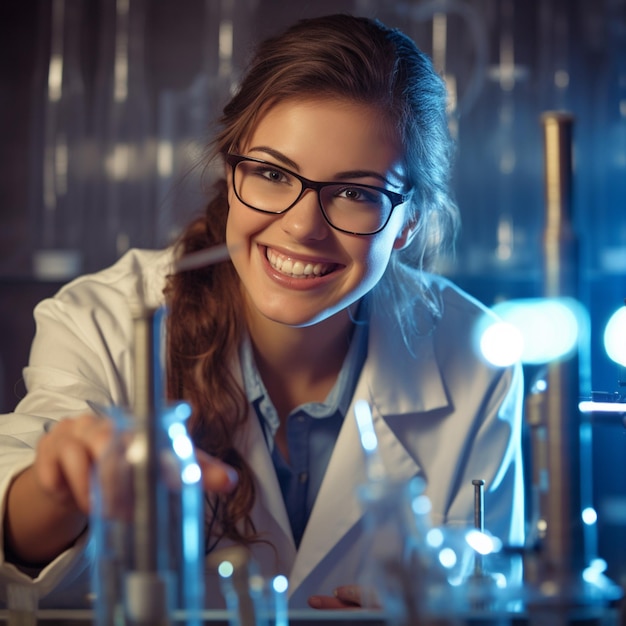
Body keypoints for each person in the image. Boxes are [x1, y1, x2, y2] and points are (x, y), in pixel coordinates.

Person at [0, 13, 524, 612]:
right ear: (230, 174)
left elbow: (490, 598)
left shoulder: (479, 355)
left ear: (406, 223)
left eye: (355, 193)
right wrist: (57, 487)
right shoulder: (103, 321)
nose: (302, 228)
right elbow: (17, 536)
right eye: (273, 174)